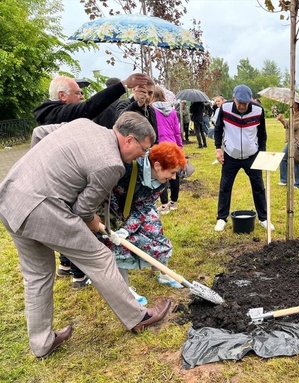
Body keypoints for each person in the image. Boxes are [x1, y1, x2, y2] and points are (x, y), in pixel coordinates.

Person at [0, 112, 171, 358]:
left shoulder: (83, 124)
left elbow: (39, 133)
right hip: (43, 209)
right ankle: (139, 317)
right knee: (100, 258)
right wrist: (94, 221)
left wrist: (42, 173)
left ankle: (42, 343)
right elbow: (83, 211)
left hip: (10, 199)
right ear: (129, 140)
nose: (141, 157)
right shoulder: (112, 164)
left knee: (38, 275)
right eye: (143, 150)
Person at [33, 73, 149, 288]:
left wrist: (137, 103)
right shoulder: (56, 114)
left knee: (69, 223)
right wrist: (124, 86)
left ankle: (66, 265)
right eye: (78, 93)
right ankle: (78, 274)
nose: (82, 96)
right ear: (62, 96)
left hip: (60, 182)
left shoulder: (55, 113)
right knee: (76, 226)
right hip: (63, 184)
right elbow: (91, 110)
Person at [99, 141, 187, 303]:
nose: (174, 177)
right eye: (173, 172)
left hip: (139, 208)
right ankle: (124, 290)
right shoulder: (129, 168)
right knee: (117, 245)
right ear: (158, 166)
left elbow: (145, 205)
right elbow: (106, 190)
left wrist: (129, 228)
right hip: (114, 207)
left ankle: (164, 273)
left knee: (155, 232)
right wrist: (121, 229)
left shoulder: (161, 182)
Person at [213, 84, 273, 232]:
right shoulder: (225, 108)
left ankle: (263, 218)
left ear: (250, 101)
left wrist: (262, 154)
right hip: (230, 155)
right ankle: (221, 218)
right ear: (234, 99)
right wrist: (218, 148)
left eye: (245, 103)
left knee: (259, 187)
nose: (242, 106)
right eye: (239, 103)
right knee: (225, 187)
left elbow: (262, 135)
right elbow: (218, 128)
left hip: (251, 155)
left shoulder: (258, 110)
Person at [151, 86, 183, 213]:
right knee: (174, 174)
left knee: (161, 174)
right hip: (173, 144)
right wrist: (180, 147)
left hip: (159, 145)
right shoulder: (172, 111)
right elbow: (177, 131)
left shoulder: (151, 110)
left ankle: (164, 204)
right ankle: (174, 202)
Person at [276, 102, 299, 189]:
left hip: (296, 141)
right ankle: (298, 183)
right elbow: (288, 126)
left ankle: (285, 180)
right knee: (296, 161)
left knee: (284, 158)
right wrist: (282, 120)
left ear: (297, 105)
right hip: (293, 140)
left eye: (293, 103)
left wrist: (282, 120)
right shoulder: (295, 113)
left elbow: (294, 126)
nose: (291, 104)